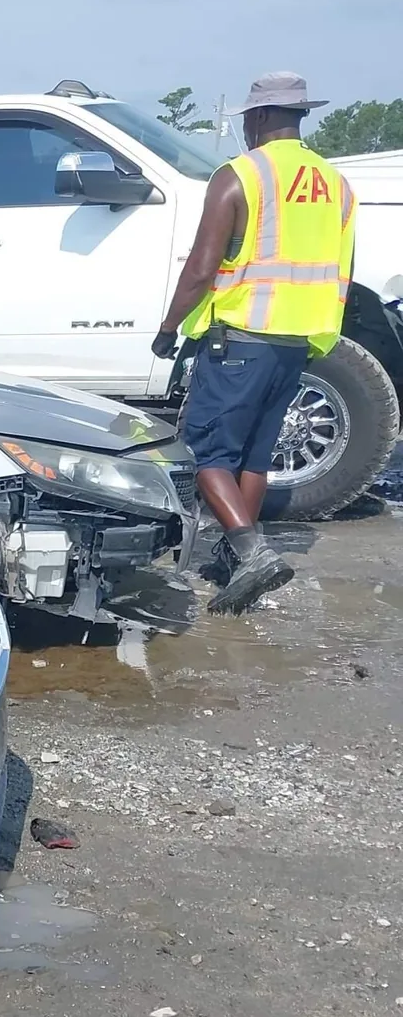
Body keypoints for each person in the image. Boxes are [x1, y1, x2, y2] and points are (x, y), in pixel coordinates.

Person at [153, 73, 356, 615]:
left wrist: (169, 328)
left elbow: (202, 268)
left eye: (247, 118)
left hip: (241, 337)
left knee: (206, 453)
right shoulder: (336, 185)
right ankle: (233, 562)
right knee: (254, 455)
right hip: (297, 340)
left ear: (260, 117)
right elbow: (342, 266)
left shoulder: (241, 175)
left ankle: (251, 552)